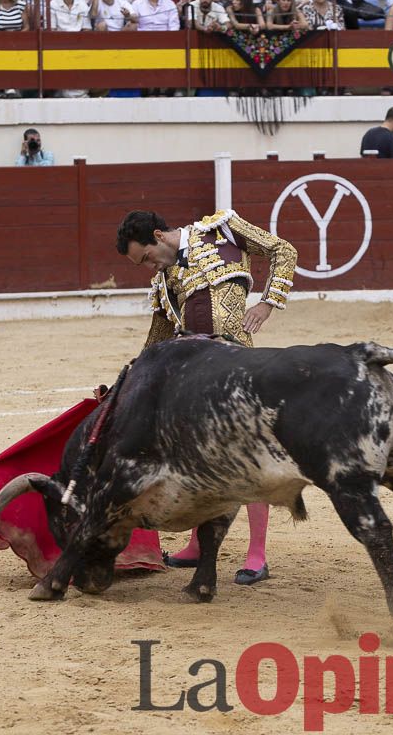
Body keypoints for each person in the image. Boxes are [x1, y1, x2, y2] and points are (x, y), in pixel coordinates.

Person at [116, 208, 298, 586]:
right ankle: (198, 545)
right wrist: (131, 381)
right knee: (197, 459)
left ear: (160, 235)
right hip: (194, 377)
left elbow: (283, 250)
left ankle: (257, 554)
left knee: (248, 458)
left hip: (238, 367)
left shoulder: (222, 230)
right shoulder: (165, 280)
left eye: (147, 257)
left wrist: (267, 302)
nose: (150, 267)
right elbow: (159, 338)